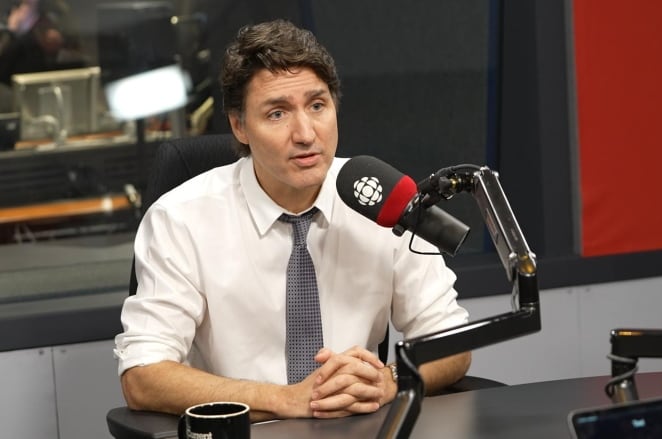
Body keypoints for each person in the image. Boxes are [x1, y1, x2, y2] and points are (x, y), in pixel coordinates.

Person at [114, 19, 472, 422]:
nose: (305, 133)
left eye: (317, 106)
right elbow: (143, 376)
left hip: (361, 428)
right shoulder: (181, 219)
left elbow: (452, 342)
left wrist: (389, 381)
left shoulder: (381, 199)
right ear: (239, 126)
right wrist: (284, 399)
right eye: (277, 113)